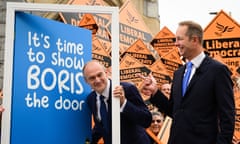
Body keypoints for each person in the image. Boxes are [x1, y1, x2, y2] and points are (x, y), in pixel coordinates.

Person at [139, 21, 235, 144]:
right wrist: (155, 92)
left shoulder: (218, 71)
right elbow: (175, 111)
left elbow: (228, 115)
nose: (176, 43)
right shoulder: (178, 74)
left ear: (194, 40)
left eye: (179, 39)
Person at [83, 60, 152, 144]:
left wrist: (124, 103)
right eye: (92, 78)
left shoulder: (127, 89)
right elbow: (101, 126)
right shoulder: (91, 99)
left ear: (106, 73)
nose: (97, 80)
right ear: (86, 81)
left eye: (99, 75)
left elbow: (146, 120)